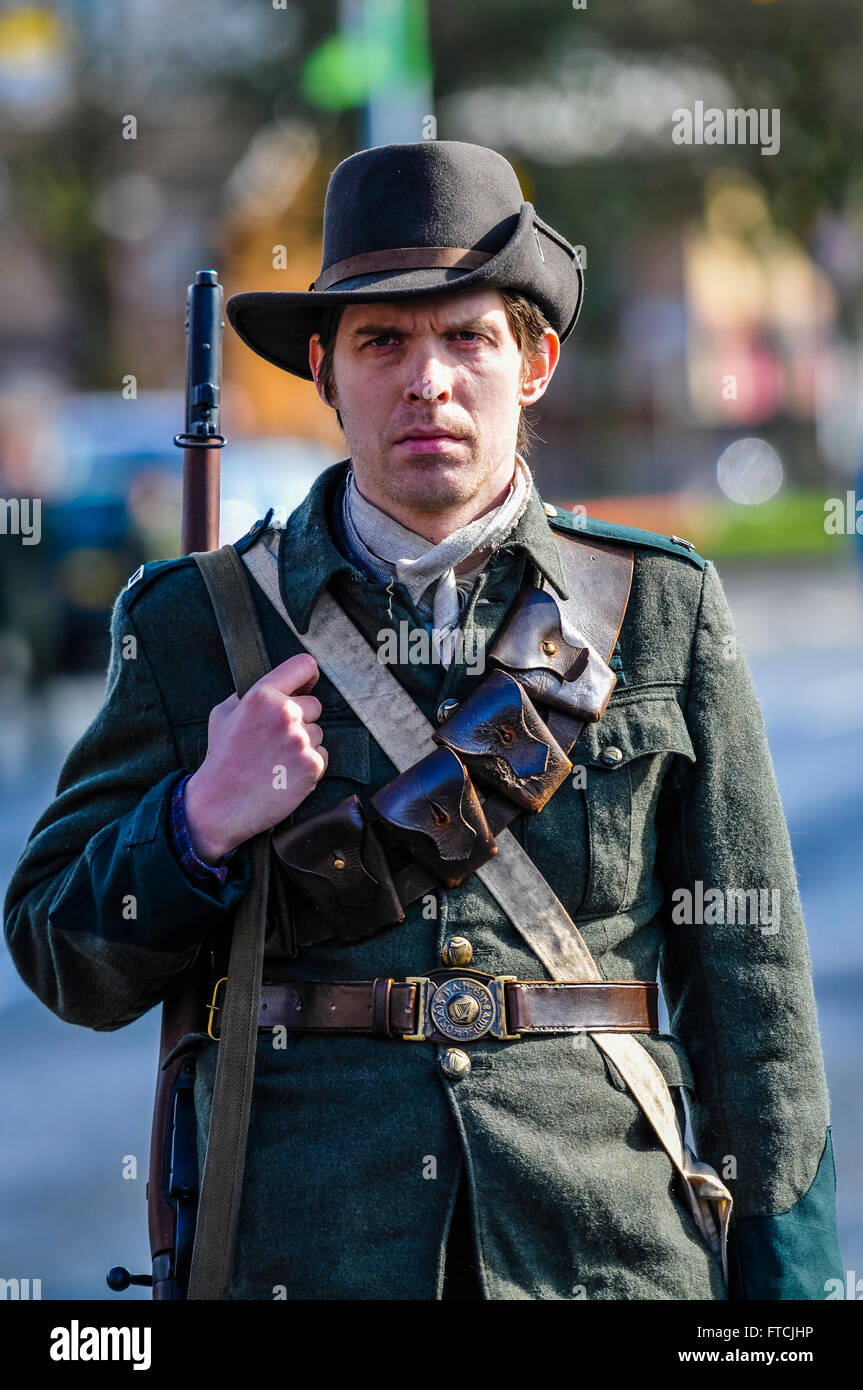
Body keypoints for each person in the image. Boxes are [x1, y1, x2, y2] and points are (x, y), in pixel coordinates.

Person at [3, 140, 841, 1300]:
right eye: (382, 341)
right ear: (323, 372)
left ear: (534, 361)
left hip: (601, 1257)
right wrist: (196, 821)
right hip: (306, 1257)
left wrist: (782, 1308)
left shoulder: (659, 610)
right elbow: (61, 954)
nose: (428, 379)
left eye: (468, 337)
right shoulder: (195, 624)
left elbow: (757, 1008)